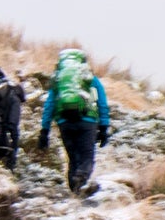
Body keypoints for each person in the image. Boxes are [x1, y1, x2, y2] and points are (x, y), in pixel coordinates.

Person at [32, 47, 111, 197]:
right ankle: (81, 185)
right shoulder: (89, 78)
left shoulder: (58, 80)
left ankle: (74, 192)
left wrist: (45, 130)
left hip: (64, 122)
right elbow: (102, 102)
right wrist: (104, 127)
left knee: (73, 158)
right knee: (86, 157)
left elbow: (49, 105)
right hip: (87, 121)